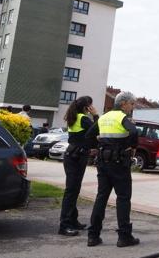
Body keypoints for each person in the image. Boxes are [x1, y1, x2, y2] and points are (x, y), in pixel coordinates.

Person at [85, 91, 139, 248]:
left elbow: (89, 135)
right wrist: (132, 146)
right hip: (119, 163)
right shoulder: (122, 117)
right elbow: (134, 131)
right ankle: (124, 237)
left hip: (103, 161)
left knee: (101, 197)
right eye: (132, 104)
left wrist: (99, 145)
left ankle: (93, 236)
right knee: (123, 198)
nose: (132, 107)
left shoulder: (104, 117)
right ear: (123, 104)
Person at [58, 96, 98, 237]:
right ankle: (64, 225)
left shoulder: (74, 116)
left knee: (73, 189)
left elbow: (83, 137)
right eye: (90, 106)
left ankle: (73, 220)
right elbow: (97, 130)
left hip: (72, 155)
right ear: (87, 107)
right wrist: (96, 115)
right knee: (71, 191)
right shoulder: (83, 118)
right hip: (76, 157)